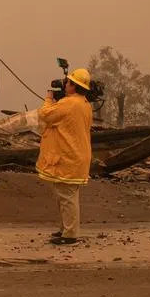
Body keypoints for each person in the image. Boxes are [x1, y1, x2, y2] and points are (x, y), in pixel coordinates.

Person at [36, 67, 94, 245]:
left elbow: (45, 115)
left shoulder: (69, 104)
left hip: (69, 157)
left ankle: (69, 235)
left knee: (67, 197)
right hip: (76, 156)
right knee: (65, 196)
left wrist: (48, 99)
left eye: (67, 82)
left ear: (73, 86)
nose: (65, 85)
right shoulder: (84, 104)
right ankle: (65, 230)